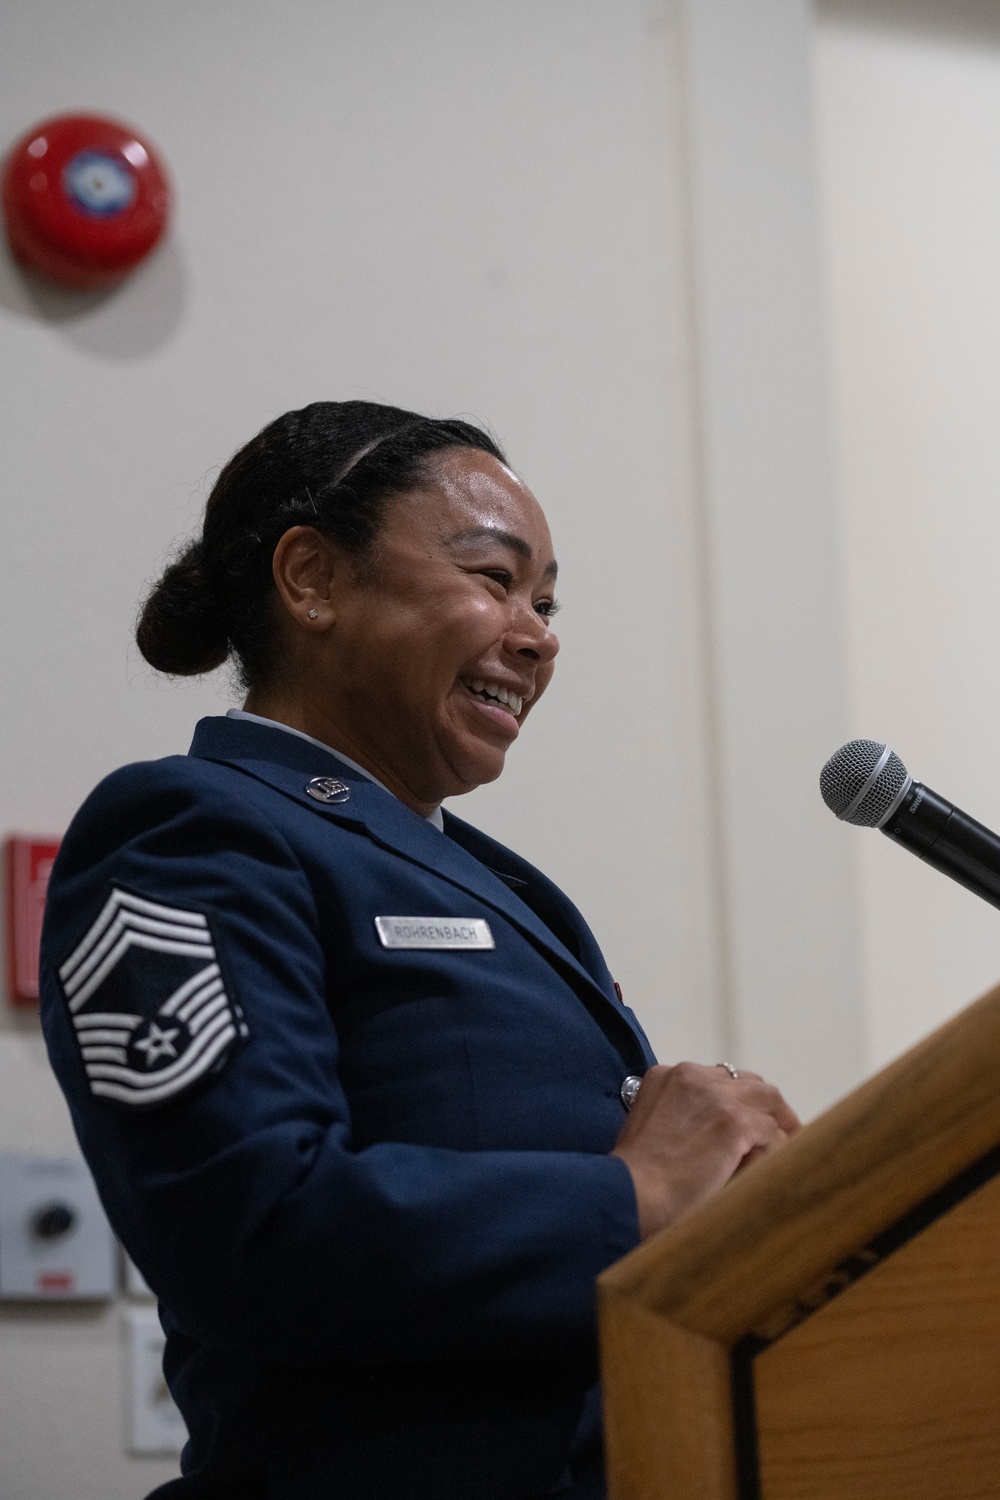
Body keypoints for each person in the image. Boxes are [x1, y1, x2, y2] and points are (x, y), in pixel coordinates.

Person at [39, 401, 798, 1500]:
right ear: (314, 581)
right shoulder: (188, 832)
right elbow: (253, 1230)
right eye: (493, 579)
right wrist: (633, 1196)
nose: (537, 633)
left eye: (545, 601)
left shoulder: (507, 883)